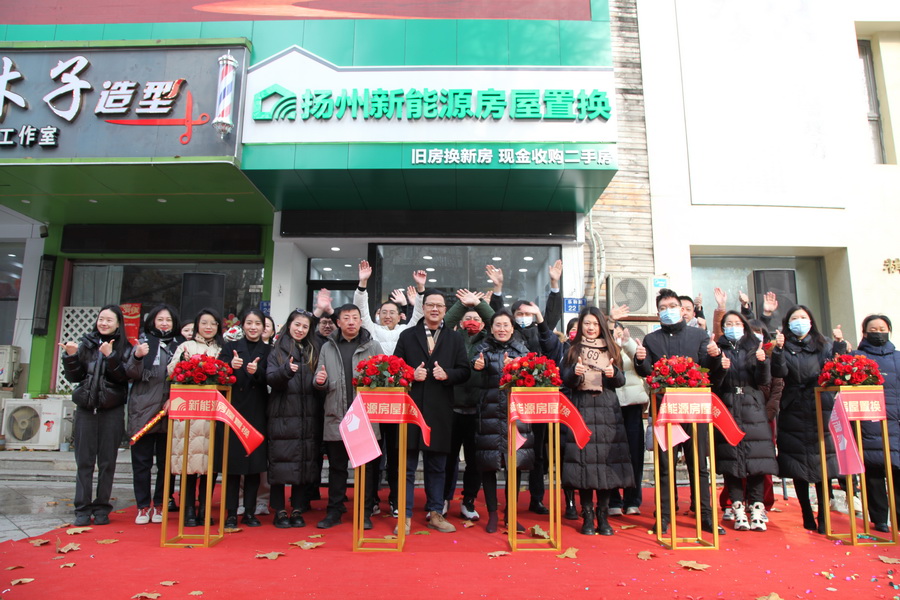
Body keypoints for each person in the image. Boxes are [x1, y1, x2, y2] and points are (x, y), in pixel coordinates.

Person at [633, 288, 724, 535]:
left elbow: (709, 370)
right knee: (665, 465)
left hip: (694, 411)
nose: (668, 311)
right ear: (658, 313)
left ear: (682, 310)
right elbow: (647, 372)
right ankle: (664, 515)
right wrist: (640, 359)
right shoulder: (651, 340)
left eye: (672, 306)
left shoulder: (699, 335)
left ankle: (705, 515)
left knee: (699, 464)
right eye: (663, 308)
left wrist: (715, 356)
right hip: (666, 412)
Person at [472, 308, 562, 533]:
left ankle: (510, 515)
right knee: (489, 464)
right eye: (498, 325)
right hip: (489, 414)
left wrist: (518, 366)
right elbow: (473, 361)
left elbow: (533, 375)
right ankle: (493, 514)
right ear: (491, 328)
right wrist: (477, 365)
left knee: (516, 464)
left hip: (517, 416)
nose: (502, 329)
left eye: (506, 325)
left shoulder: (522, 350)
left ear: (512, 329)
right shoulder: (483, 348)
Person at [486, 261, 564, 515]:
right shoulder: (509, 334)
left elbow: (551, 317)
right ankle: (511, 501)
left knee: (538, 453)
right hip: (511, 403)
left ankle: (536, 499)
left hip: (537, 404)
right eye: (518, 313)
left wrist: (554, 284)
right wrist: (498, 289)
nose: (522, 317)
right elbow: (496, 315)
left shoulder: (540, 332)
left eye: (526, 313)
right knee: (514, 451)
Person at [394, 289, 471, 534]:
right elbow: (394, 367)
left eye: (439, 305)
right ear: (423, 308)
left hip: (440, 411)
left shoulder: (454, 338)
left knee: (437, 465)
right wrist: (410, 374)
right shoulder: (408, 335)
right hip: (411, 410)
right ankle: (405, 516)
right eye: (430, 305)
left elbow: (465, 371)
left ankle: (436, 513)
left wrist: (448, 374)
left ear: (445, 311)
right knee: (407, 466)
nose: (435, 309)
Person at [355, 261, 426, 517]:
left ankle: (396, 499)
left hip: (398, 403)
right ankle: (371, 499)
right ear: (378, 315)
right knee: (374, 454)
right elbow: (361, 311)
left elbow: (419, 315)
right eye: (383, 312)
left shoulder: (407, 332)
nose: (387, 315)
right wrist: (363, 283)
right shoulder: (371, 331)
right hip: (373, 403)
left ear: (400, 316)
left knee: (397, 454)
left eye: (392, 312)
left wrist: (420, 290)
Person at [771, 304, 847, 533]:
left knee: (823, 464)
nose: (799, 322)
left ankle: (823, 515)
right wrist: (778, 350)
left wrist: (839, 345)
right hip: (793, 407)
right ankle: (806, 512)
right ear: (788, 323)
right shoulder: (783, 345)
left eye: (803, 317)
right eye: (795, 318)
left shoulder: (824, 344)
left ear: (811, 321)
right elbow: (779, 373)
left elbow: (836, 369)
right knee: (797, 464)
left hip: (820, 406)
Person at [560, 306, 633, 536]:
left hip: (607, 411)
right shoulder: (572, 349)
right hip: (581, 408)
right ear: (580, 325)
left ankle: (603, 515)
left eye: (594, 323)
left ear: (601, 325)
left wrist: (614, 374)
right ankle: (587, 515)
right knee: (584, 464)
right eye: (587, 323)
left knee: (605, 464)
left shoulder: (611, 348)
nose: (591, 328)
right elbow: (564, 379)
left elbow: (621, 380)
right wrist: (575, 372)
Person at [314, 303, 384, 530]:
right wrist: (320, 381)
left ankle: (364, 513)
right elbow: (318, 378)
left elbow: (384, 378)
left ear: (361, 321)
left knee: (366, 469)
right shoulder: (328, 347)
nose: (351, 322)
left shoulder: (372, 346)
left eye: (355, 317)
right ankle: (334, 511)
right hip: (336, 415)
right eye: (346, 318)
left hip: (364, 417)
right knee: (337, 468)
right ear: (338, 322)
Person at [60, 305, 130, 527]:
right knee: (84, 461)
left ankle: (101, 507)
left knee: (107, 462)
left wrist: (111, 356)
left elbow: (123, 377)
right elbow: (75, 377)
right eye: (101, 319)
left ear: (118, 324)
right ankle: (82, 508)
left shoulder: (125, 347)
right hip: (86, 410)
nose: (104, 323)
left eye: (109, 320)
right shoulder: (86, 344)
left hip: (112, 411)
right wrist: (71, 356)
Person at [712, 310, 777, 531]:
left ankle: (757, 507)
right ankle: (737, 506)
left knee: (756, 459)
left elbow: (763, 381)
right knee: (731, 459)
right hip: (727, 406)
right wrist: (720, 368)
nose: (733, 327)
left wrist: (762, 363)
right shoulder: (717, 348)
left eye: (737, 323)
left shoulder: (754, 347)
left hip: (752, 406)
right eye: (728, 323)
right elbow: (713, 383)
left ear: (744, 326)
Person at [265, 309, 325, 528]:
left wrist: (321, 381)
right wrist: (285, 371)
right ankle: (280, 511)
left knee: (303, 462)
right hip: (282, 415)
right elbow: (271, 378)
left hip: (308, 416)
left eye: (305, 326)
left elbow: (319, 383)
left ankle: (298, 508)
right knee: (279, 463)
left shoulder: (313, 350)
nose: (300, 329)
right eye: (297, 325)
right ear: (289, 325)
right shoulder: (277, 350)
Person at [168, 308, 224, 527]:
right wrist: (183, 363)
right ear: (197, 326)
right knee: (189, 464)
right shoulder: (186, 346)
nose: (209, 327)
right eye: (204, 323)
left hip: (213, 415)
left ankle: (205, 508)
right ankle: (188, 509)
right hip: (190, 416)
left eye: (213, 323)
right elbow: (171, 372)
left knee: (211, 465)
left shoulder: (221, 349)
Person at [125, 303, 180, 525]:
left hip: (170, 412)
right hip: (143, 411)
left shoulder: (179, 346)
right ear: (152, 322)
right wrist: (138, 356)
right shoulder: (142, 343)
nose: (164, 324)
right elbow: (130, 373)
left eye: (168, 320)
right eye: (160, 319)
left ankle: (160, 503)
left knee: (166, 464)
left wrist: (174, 398)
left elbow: (183, 377)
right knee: (142, 463)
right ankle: (142, 506)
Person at [442, 288, 494, 521]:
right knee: (448, 458)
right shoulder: (453, 338)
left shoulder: (490, 340)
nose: (472, 321)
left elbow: (498, 321)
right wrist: (462, 305)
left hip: (478, 410)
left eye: (476, 318)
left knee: (475, 461)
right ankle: (443, 499)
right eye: (468, 318)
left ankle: (469, 500)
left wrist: (479, 303)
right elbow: (444, 323)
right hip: (452, 408)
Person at [219, 309, 271, 528]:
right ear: (242, 326)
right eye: (249, 323)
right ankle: (231, 513)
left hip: (257, 412)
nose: (253, 327)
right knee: (232, 466)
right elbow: (218, 375)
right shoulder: (229, 348)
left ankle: (249, 512)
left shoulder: (269, 350)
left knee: (253, 466)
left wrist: (257, 372)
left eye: (257, 323)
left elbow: (272, 378)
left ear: (263, 327)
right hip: (233, 412)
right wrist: (230, 368)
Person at [851, 314, 899, 533]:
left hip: (896, 422)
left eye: (882, 329)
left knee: (897, 471)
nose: (878, 333)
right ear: (864, 332)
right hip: (869, 422)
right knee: (874, 473)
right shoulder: (856, 358)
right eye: (873, 329)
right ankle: (879, 519)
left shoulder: (898, 358)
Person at [607, 322, 650, 517]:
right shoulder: (605, 349)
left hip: (632, 406)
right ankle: (613, 499)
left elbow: (642, 367)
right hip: (611, 405)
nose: (616, 336)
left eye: (619, 332)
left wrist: (627, 343)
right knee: (611, 454)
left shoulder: (632, 347)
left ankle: (633, 500)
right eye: (612, 333)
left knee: (635, 453)